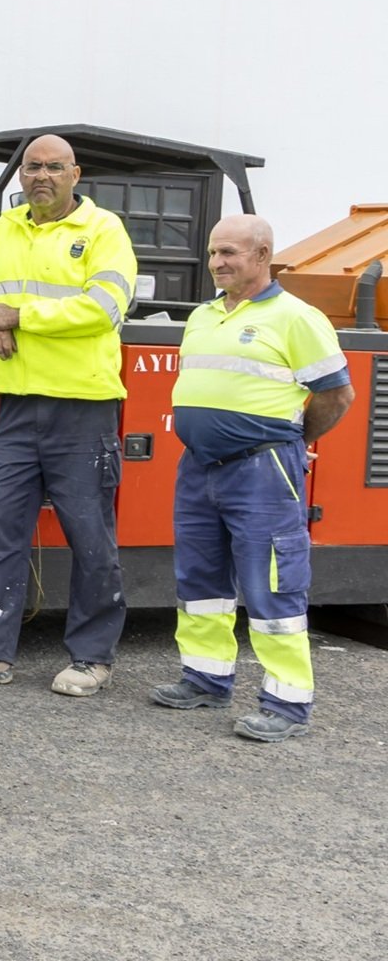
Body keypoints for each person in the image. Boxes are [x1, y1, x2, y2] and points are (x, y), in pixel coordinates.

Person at [0, 134, 139, 695]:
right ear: (21, 175)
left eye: (54, 167)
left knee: (91, 539)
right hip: (17, 404)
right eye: (33, 167)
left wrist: (16, 317)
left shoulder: (104, 231)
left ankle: (91, 659)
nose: (42, 176)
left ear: (75, 174)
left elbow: (104, 308)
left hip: (83, 406)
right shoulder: (5, 228)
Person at [153, 215, 352, 741]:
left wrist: (292, 441)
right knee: (200, 580)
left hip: (262, 469)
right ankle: (205, 678)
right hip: (199, 467)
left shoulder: (296, 317)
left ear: (262, 255)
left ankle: (287, 704)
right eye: (213, 252)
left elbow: (337, 394)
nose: (217, 262)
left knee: (273, 586)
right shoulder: (202, 316)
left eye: (229, 253)